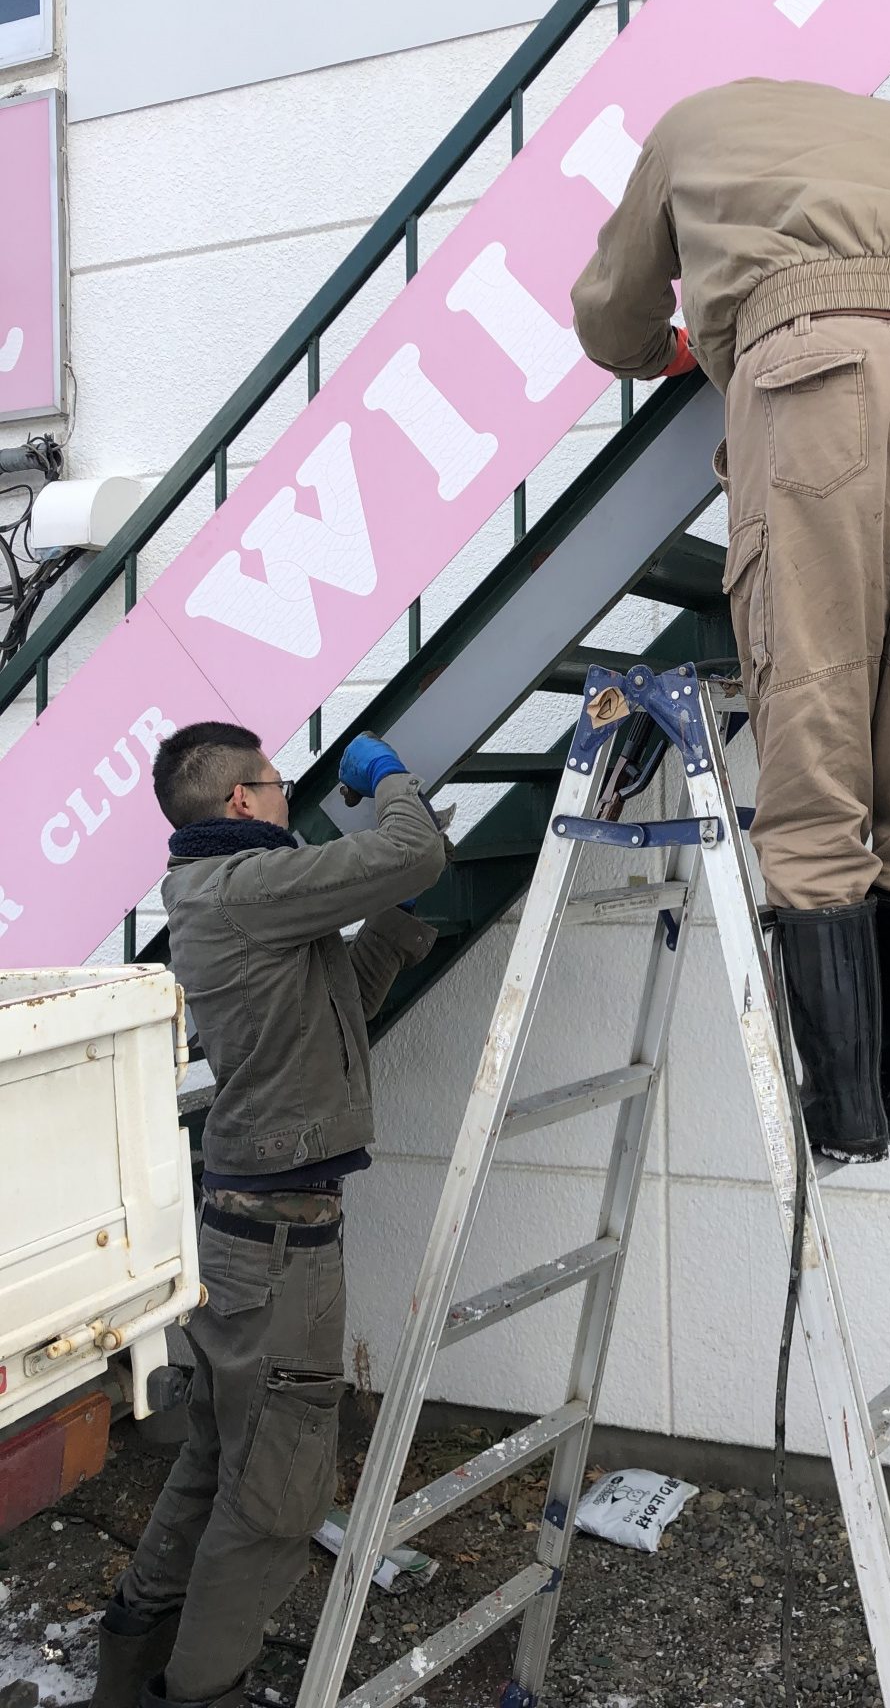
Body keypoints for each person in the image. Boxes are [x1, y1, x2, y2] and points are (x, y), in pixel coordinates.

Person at [572, 76, 890, 1165]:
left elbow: (611, 316)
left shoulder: (691, 123)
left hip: (815, 367)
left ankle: (843, 1114)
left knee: (817, 705)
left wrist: (682, 353)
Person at [89, 724, 447, 1708]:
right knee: (276, 1499)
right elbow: (413, 843)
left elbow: (337, 1022)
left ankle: (130, 1664)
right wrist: (392, 784)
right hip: (280, 1250)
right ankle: (199, 1690)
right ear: (241, 801)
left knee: (220, 1460)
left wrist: (394, 922)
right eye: (279, 784)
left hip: (253, 1238)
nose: (292, 796)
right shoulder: (245, 889)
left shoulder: (240, 900)